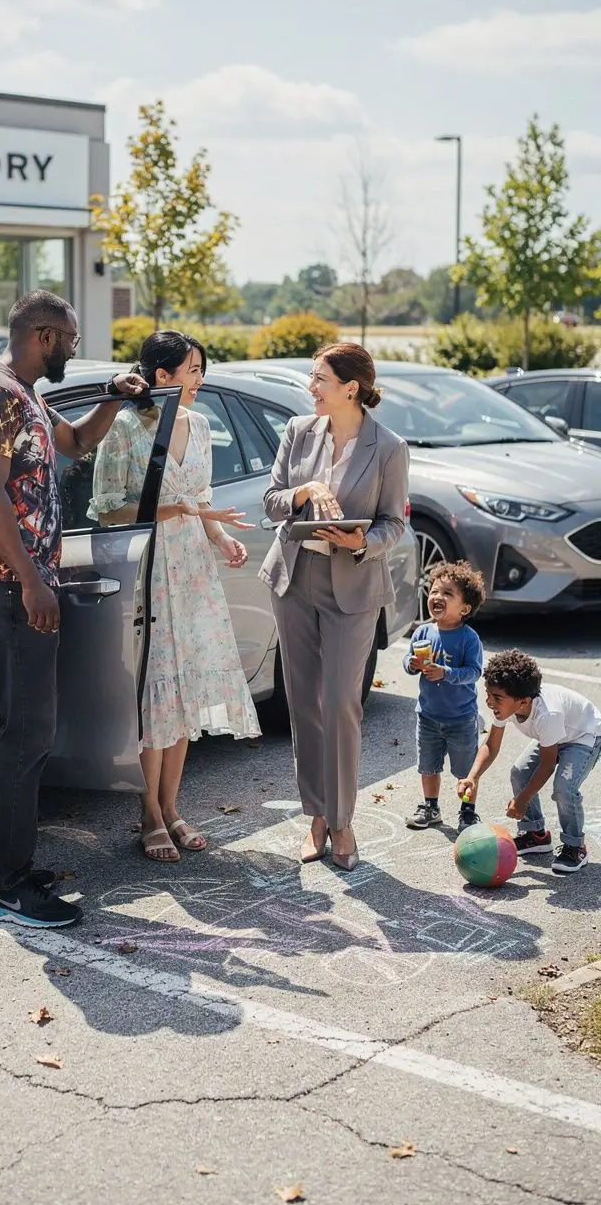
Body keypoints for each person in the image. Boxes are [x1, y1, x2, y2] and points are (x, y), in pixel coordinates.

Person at [0, 289, 147, 926]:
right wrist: (32, 581)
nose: (75, 350)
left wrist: (112, 395)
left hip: (14, 582)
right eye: (73, 341)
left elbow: (77, 443)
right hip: (6, 586)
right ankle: (8, 886)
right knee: (27, 735)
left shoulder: (28, 395)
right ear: (46, 336)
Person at [89, 331, 260, 862]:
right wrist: (178, 512)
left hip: (192, 572)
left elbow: (201, 501)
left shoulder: (201, 425)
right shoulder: (122, 428)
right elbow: (107, 509)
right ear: (161, 376)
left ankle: (172, 807)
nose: (200, 378)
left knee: (183, 698)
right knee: (155, 695)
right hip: (147, 568)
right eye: (192, 369)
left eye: (202, 368)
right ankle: (149, 816)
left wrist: (222, 536)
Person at [260, 342, 409, 870]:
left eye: (319, 377)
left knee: (342, 702)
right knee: (304, 702)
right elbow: (272, 498)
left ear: (351, 387)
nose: (311, 386)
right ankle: (316, 816)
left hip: (353, 585)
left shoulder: (388, 446)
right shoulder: (300, 431)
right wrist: (306, 490)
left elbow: (395, 521)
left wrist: (359, 543)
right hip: (295, 577)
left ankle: (343, 821)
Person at [458, 650, 601, 875]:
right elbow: (491, 746)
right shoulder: (505, 705)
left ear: (523, 701)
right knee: (519, 772)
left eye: (496, 697)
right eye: (488, 694)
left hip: (583, 736)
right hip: (554, 736)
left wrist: (521, 800)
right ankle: (536, 835)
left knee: (565, 787)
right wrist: (472, 777)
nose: (489, 702)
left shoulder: (547, 714)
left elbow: (547, 765)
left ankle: (575, 846)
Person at [403, 561, 485, 833]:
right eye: (434, 591)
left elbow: (474, 671)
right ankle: (430, 806)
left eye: (447, 593)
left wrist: (446, 672)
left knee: (465, 771)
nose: (437, 597)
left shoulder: (468, 638)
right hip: (427, 715)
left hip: (461, 718)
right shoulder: (423, 632)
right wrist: (412, 664)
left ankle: (468, 811)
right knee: (428, 766)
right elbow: (408, 660)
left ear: (464, 608)